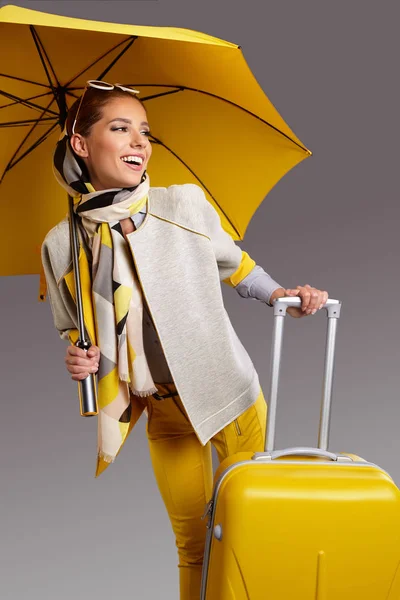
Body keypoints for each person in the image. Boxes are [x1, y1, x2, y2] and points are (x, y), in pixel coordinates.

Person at [41, 80, 329, 600]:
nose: (139, 143)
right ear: (81, 144)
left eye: (145, 132)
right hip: (166, 413)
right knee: (193, 545)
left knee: (249, 526)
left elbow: (237, 266)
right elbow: (71, 325)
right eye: (120, 128)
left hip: (233, 397)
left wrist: (282, 293)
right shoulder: (63, 242)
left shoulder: (183, 205)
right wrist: (79, 359)